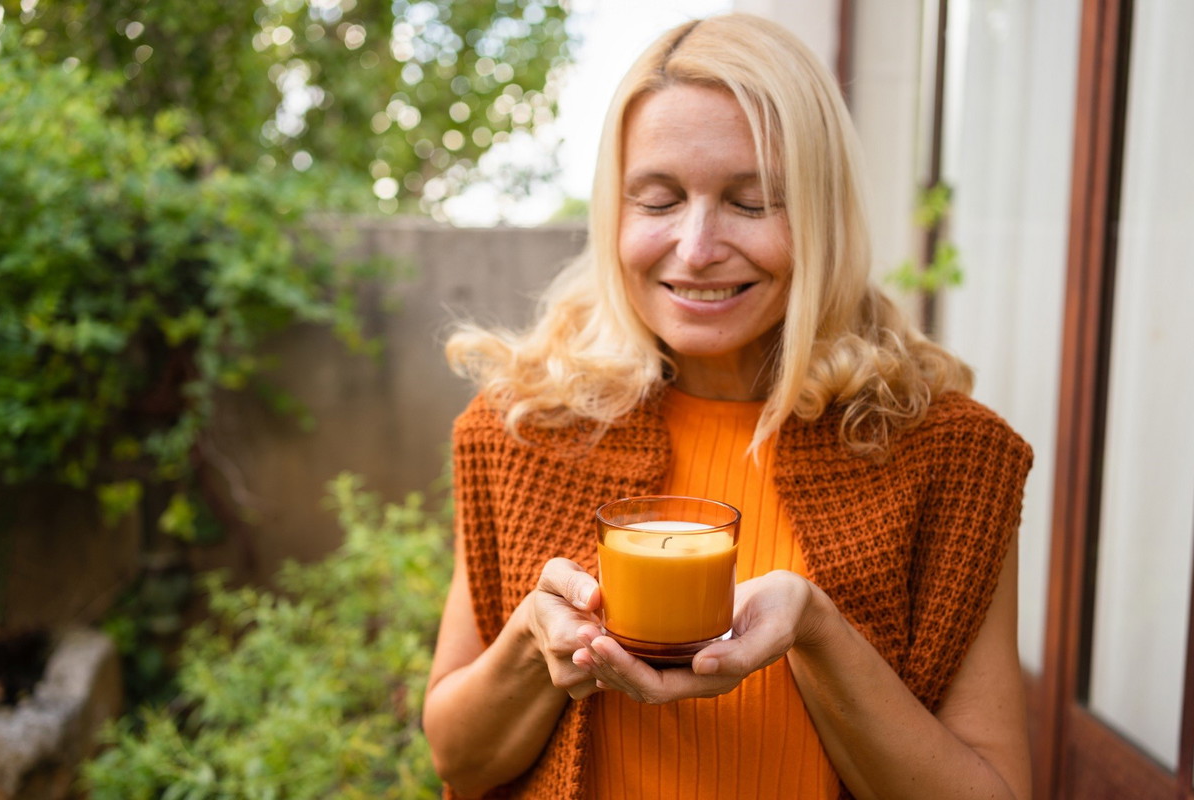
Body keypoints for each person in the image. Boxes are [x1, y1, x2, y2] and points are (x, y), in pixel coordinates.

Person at [423, 13, 1033, 800]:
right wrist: (531, 647)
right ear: (614, 214)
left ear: (822, 214)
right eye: (658, 201)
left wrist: (819, 633)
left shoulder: (951, 457)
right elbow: (459, 760)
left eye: (752, 203)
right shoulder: (522, 429)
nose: (698, 248)